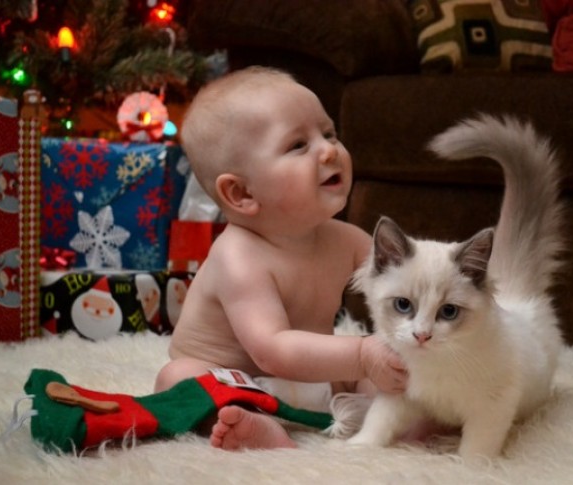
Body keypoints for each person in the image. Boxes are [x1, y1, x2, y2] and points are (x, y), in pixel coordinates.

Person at [154, 66, 407, 451]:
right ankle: (255, 427)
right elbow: (273, 350)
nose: (329, 150)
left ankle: (400, 421)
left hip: (315, 380)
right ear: (241, 193)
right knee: (177, 380)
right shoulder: (237, 255)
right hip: (239, 381)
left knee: (389, 378)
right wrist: (361, 353)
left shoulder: (346, 239)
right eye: (297, 146)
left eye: (328, 133)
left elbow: (410, 275)